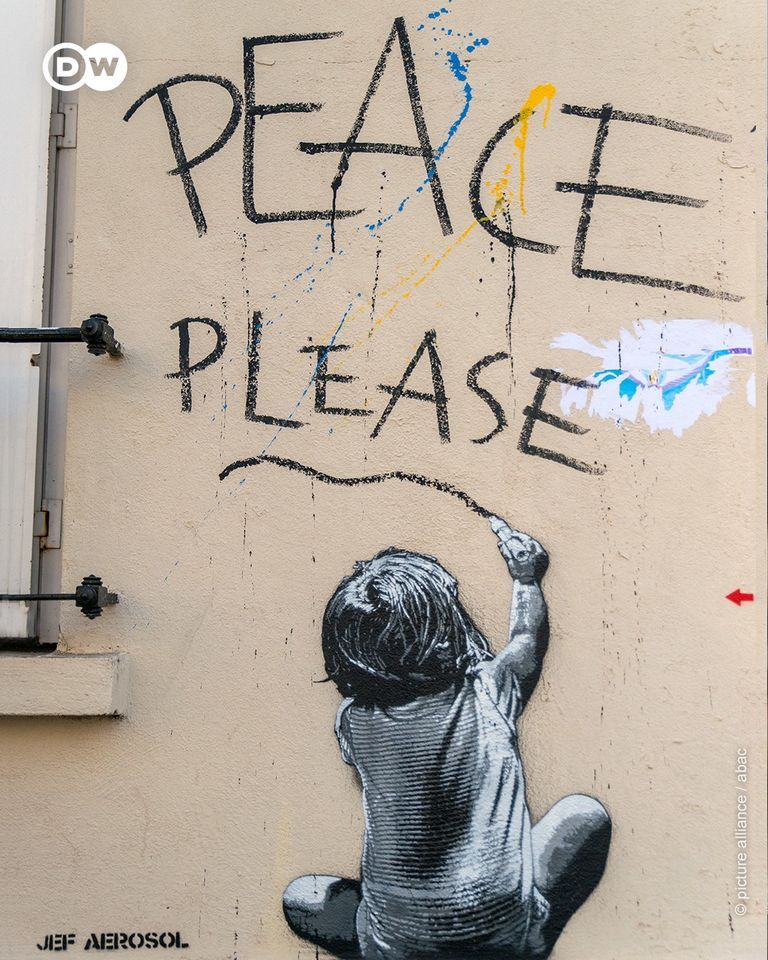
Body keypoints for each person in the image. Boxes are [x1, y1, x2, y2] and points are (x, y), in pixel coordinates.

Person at [283, 516, 611, 959]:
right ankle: (532, 939)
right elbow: (526, 639)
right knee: (585, 814)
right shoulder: (490, 693)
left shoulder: (354, 724)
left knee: (303, 897)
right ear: (446, 630)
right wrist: (526, 579)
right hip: (500, 936)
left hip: (397, 945)